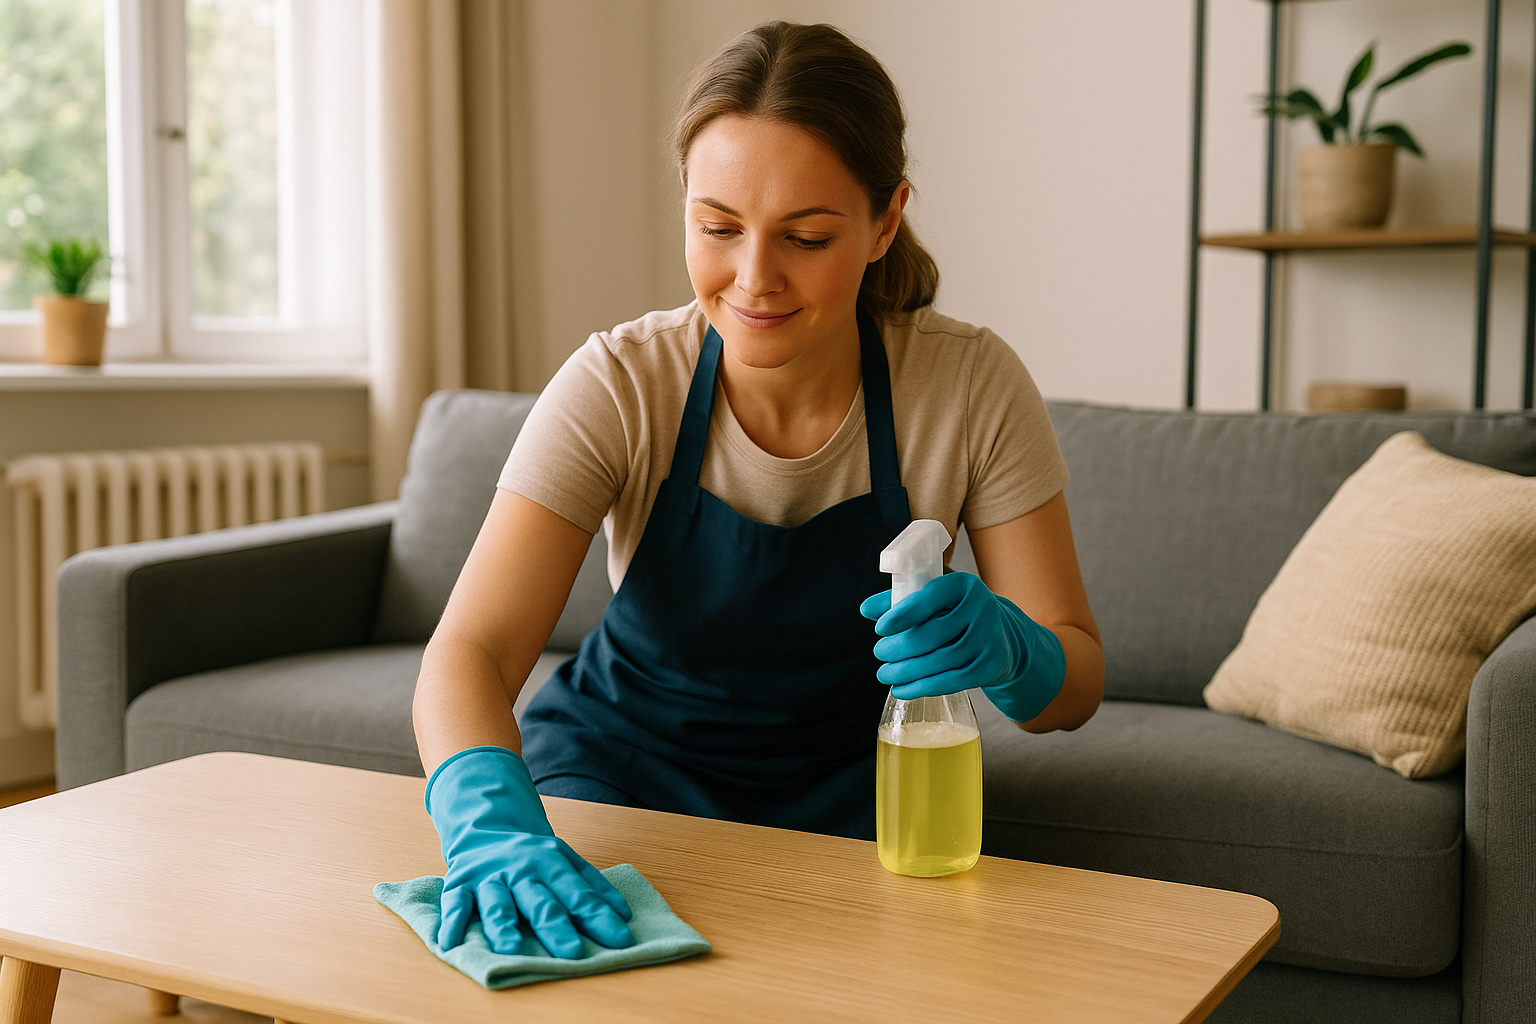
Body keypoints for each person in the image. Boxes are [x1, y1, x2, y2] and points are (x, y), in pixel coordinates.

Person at [411, 21, 1104, 961]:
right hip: (617, 766)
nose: (754, 279)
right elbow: (474, 653)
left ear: (885, 220)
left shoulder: (969, 385)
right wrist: (488, 825)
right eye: (718, 229)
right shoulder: (622, 381)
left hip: (854, 786)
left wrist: (1012, 651)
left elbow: (1074, 684)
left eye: (807, 237)